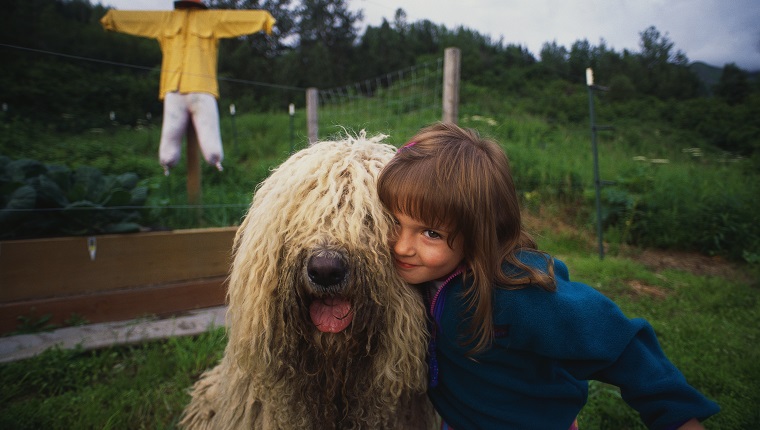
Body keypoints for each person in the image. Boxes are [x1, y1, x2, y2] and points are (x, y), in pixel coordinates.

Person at [376, 122, 719, 429]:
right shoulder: (416, 275)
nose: (401, 246)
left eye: (430, 233)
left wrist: (677, 416)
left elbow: (619, 343)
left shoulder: (517, 292)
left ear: (479, 232)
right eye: (394, 222)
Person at [100, 0, 275, 174]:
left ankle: (210, 161)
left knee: (206, 133)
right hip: (179, 89)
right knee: (172, 131)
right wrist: (112, 19)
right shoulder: (172, 19)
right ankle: (171, 163)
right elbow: (138, 20)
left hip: (198, 89)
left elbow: (238, 19)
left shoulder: (202, 19)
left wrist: (263, 19)